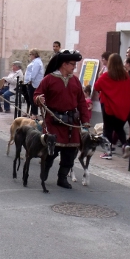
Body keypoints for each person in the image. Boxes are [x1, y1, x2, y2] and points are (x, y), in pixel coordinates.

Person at [34, 49, 88, 189]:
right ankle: (44, 173)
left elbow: (82, 102)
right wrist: (39, 99)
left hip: (71, 122)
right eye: (72, 64)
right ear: (64, 64)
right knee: (51, 151)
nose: (74, 67)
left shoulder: (75, 80)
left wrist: (85, 121)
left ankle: (62, 178)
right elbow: (37, 94)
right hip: (54, 121)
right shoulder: (49, 79)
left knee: (70, 153)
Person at [94, 53, 130, 159]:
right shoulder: (125, 75)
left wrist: (100, 76)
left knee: (108, 129)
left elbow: (97, 86)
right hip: (121, 106)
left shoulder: (107, 75)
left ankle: (108, 152)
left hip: (108, 106)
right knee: (118, 127)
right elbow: (129, 90)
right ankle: (125, 145)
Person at [25, 48, 44, 119]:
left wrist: (30, 80)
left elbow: (34, 73)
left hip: (34, 83)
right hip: (33, 83)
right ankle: (34, 113)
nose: (30, 56)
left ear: (34, 55)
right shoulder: (36, 61)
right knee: (32, 99)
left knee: (33, 99)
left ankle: (34, 114)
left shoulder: (36, 62)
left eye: (30, 54)